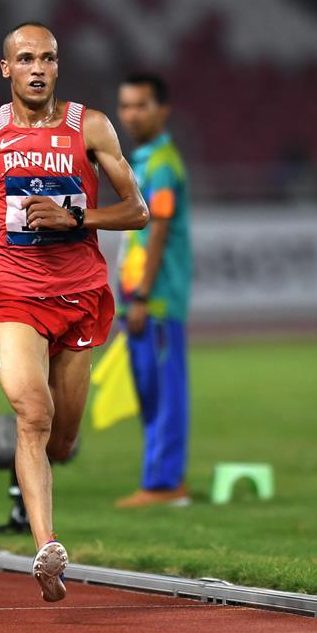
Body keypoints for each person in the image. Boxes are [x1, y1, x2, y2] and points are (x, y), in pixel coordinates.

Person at [0, 22, 149, 602]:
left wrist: (75, 219)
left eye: (47, 57)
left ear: (57, 65)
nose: (38, 68)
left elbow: (136, 211)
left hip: (79, 295)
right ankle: (47, 548)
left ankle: (19, 459)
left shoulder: (89, 126)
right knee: (34, 412)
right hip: (16, 294)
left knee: (63, 440)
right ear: (7, 69)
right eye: (26, 59)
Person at [114, 73, 192, 508]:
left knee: (164, 390)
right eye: (125, 106)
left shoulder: (162, 164)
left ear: (163, 110)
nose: (131, 114)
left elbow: (158, 228)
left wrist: (142, 295)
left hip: (156, 297)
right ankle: (161, 479)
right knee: (148, 389)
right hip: (138, 294)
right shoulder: (143, 161)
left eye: (141, 105)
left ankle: (165, 485)